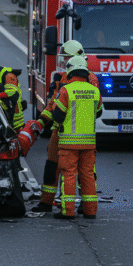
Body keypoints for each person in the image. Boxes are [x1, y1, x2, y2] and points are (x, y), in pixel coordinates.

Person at [32, 40, 100, 214]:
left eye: (67, 58)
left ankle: (80, 205)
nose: (64, 62)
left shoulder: (90, 80)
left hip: (73, 132)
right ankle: (47, 202)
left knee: (80, 173)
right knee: (52, 166)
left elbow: (70, 108)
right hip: (62, 131)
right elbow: (52, 104)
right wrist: (41, 122)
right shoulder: (63, 77)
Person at [50, 55, 102, 219]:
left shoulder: (66, 90)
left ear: (70, 72)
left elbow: (57, 116)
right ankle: (90, 211)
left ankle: (68, 211)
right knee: (87, 176)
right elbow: (99, 112)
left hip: (69, 143)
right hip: (89, 143)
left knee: (69, 175)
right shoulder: (94, 90)